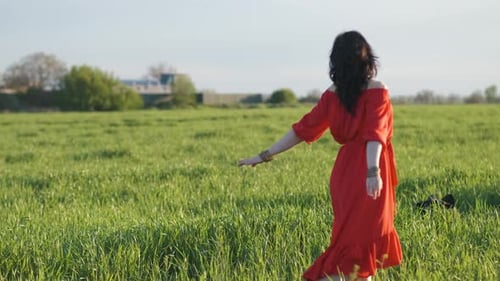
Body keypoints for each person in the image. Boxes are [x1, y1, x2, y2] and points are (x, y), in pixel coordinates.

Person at [238, 30, 402, 281]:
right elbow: (374, 134)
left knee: (358, 247)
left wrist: (264, 155)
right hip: (369, 173)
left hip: (346, 175)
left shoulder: (332, 94)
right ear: (367, 58)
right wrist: (373, 171)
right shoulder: (377, 90)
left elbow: (301, 129)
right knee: (360, 246)